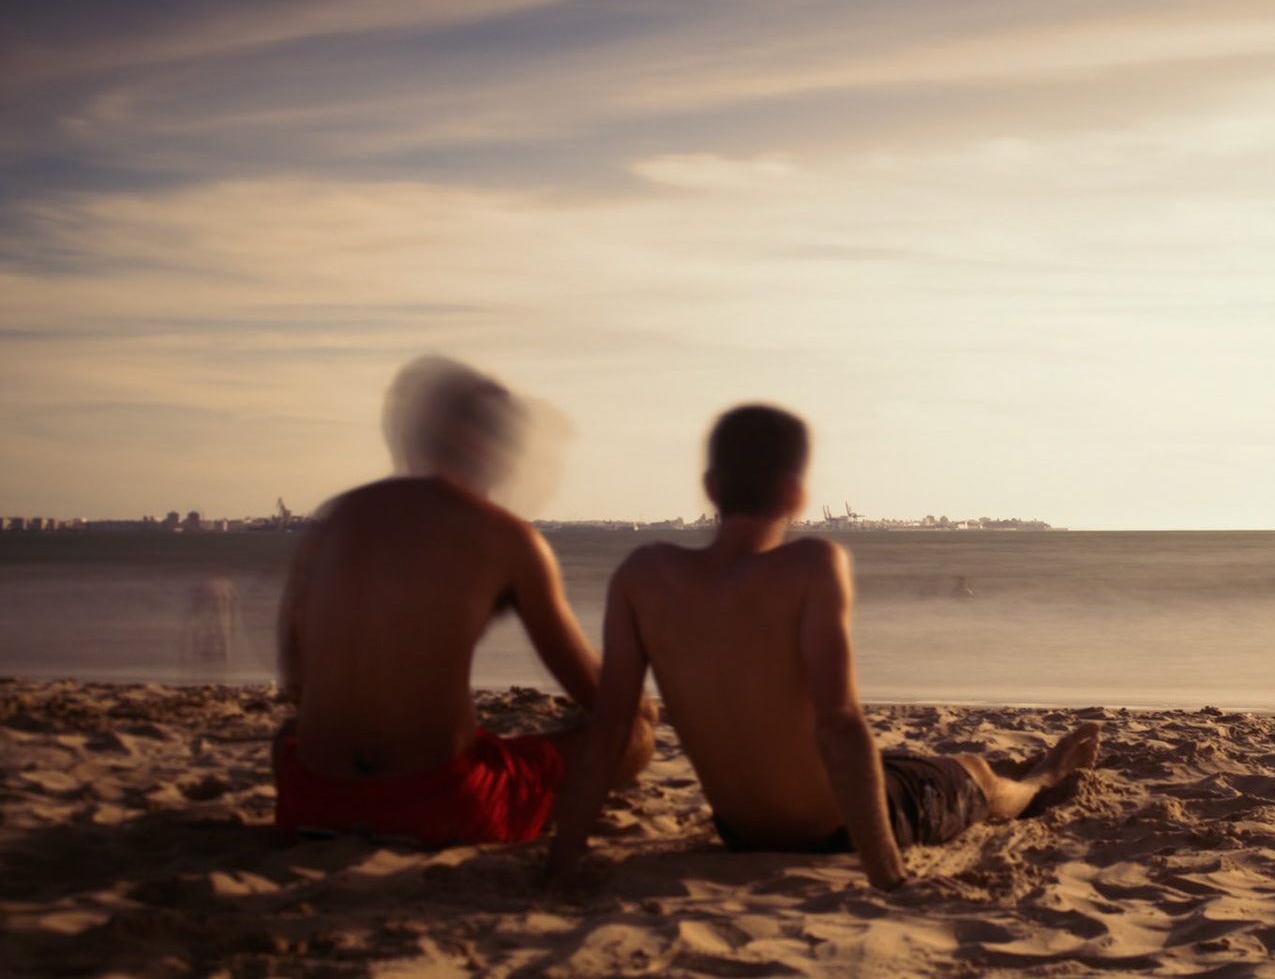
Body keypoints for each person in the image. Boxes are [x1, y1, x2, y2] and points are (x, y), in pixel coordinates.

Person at [547, 404, 1098, 888]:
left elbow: (612, 726)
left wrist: (561, 864)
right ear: (797, 493)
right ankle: (1040, 780)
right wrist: (884, 869)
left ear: (711, 486)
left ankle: (989, 776)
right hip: (827, 832)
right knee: (973, 772)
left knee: (893, 763)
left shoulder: (642, 576)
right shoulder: (810, 566)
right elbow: (839, 722)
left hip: (738, 831)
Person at [274, 355, 652, 847]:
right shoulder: (506, 538)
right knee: (638, 729)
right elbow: (604, 701)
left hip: (314, 797)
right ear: (483, 444)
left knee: (288, 736)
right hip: (441, 806)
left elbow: (296, 674)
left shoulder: (337, 517)